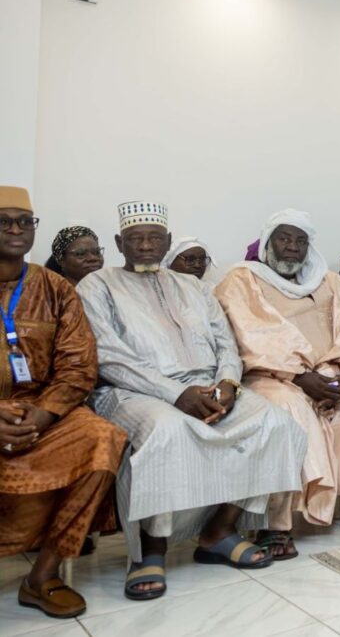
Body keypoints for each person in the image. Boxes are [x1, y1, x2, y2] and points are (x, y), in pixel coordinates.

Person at [77, 201, 307, 601]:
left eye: (154, 238)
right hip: (132, 391)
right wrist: (175, 394)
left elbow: (226, 344)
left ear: (166, 241)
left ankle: (219, 530)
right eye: (135, 239)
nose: (146, 246)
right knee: (167, 430)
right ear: (119, 243)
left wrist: (228, 384)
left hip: (208, 385)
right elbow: (107, 356)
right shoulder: (97, 285)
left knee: (275, 424)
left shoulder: (195, 287)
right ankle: (150, 551)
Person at [215, 209, 340, 558]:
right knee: (286, 409)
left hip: (336, 372)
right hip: (275, 376)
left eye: (300, 240)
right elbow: (253, 337)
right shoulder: (242, 280)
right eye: (284, 238)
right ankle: (277, 526)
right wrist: (304, 379)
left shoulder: (331, 281)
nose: (292, 247)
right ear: (268, 242)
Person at [0, 187, 126, 619]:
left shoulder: (56, 288)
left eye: (24, 221)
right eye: (4, 221)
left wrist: (43, 413)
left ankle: (42, 577)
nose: (15, 230)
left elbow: (78, 364)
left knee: (101, 437)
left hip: (40, 410)